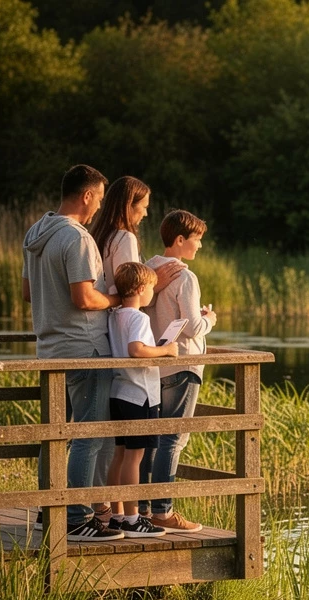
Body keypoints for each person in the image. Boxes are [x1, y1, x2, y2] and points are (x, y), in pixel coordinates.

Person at [22, 164, 124, 541]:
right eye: (98, 197)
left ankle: (47, 512)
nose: (99, 205)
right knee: (89, 434)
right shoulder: (76, 238)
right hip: (85, 348)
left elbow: (28, 294)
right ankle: (77, 517)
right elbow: (84, 298)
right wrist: (116, 299)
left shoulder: (36, 232)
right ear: (86, 195)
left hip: (50, 349)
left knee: (55, 435)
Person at [88, 176, 181, 519]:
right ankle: (130, 514)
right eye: (142, 207)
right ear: (129, 205)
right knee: (132, 454)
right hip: (136, 387)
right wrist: (157, 287)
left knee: (114, 449)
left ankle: (106, 508)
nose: (144, 215)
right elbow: (129, 282)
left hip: (109, 354)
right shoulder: (123, 237)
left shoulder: (101, 235)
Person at [143, 209, 218, 533]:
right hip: (183, 363)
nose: (200, 246)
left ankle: (144, 506)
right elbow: (191, 327)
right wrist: (210, 319)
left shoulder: (148, 268)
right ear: (180, 240)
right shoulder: (185, 276)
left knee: (154, 438)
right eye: (197, 240)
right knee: (172, 439)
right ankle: (163, 510)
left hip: (155, 366)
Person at [106, 262, 179, 536]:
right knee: (134, 458)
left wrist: (154, 349)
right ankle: (133, 518)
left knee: (120, 456)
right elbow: (136, 350)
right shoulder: (138, 317)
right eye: (150, 287)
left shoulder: (114, 315)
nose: (152, 292)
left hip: (119, 391)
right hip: (140, 394)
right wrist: (167, 351)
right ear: (139, 289)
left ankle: (117, 515)